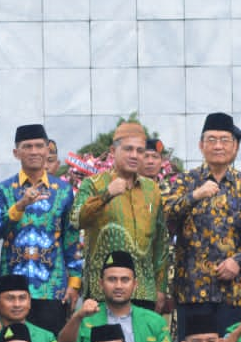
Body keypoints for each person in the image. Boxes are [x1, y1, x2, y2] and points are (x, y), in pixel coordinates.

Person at [163, 112, 241, 341]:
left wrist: (238, 261)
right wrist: (195, 195)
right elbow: (166, 213)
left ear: (235, 147)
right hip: (192, 291)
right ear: (201, 145)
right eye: (212, 140)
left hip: (235, 292)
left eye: (225, 140)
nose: (218, 146)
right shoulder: (184, 181)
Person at [0, 123, 83, 335]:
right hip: (13, 290)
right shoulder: (2, 190)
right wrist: (19, 206)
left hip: (52, 287)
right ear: (16, 153)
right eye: (27, 146)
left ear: (48, 150)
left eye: (39, 146)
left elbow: (71, 239)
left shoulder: (64, 191)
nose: (33, 151)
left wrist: (74, 282)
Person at [71, 119, 168, 307]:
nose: (135, 155)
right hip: (103, 292)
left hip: (144, 292)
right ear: (113, 151)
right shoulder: (94, 184)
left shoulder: (152, 189)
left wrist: (160, 288)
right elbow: (76, 220)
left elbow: (160, 242)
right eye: (128, 149)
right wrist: (107, 195)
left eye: (140, 151)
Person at [59, 251, 175, 342]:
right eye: (112, 279)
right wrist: (78, 316)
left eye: (125, 280)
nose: (118, 286)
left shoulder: (155, 321)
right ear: (101, 284)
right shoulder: (88, 316)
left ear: (135, 284)